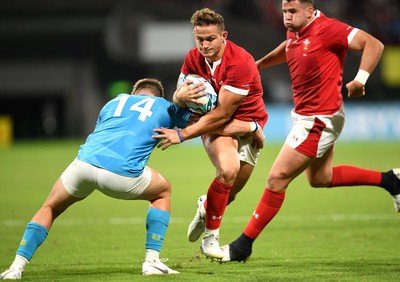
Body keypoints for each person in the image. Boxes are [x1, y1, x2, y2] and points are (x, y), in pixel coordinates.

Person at [219, 0, 400, 262]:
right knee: (320, 178)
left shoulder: (329, 29)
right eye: (284, 12)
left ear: (309, 10)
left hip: (319, 119)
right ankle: (390, 180)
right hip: (313, 116)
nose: (287, 18)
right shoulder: (295, 30)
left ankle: (242, 246)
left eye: (292, 12)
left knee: (276, 179)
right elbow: (290, 48)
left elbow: (374, 44)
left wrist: (361, 79)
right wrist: (260, 64)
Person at [0, 78, 199, 279]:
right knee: (162, 191)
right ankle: (152, 261)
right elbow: (197, 120)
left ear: (133, 93)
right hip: (121, 175)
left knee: (50, 207)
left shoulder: (112, 103)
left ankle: (16, 267)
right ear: (158, 96)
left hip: (84, 165)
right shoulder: (164, 106)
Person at [153, 7, 268, 260]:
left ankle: (205, 206)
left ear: (223, 35)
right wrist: (177, 96)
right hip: (218, 127)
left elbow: (223, 114)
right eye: (199, 39)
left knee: (231, 192)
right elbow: (181, 99)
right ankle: (210, 238)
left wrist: (182, 135)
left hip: (240, 122)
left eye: (210, 39)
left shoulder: (241, 62)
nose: (204, 45)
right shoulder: (192, 58)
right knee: (228, 170)